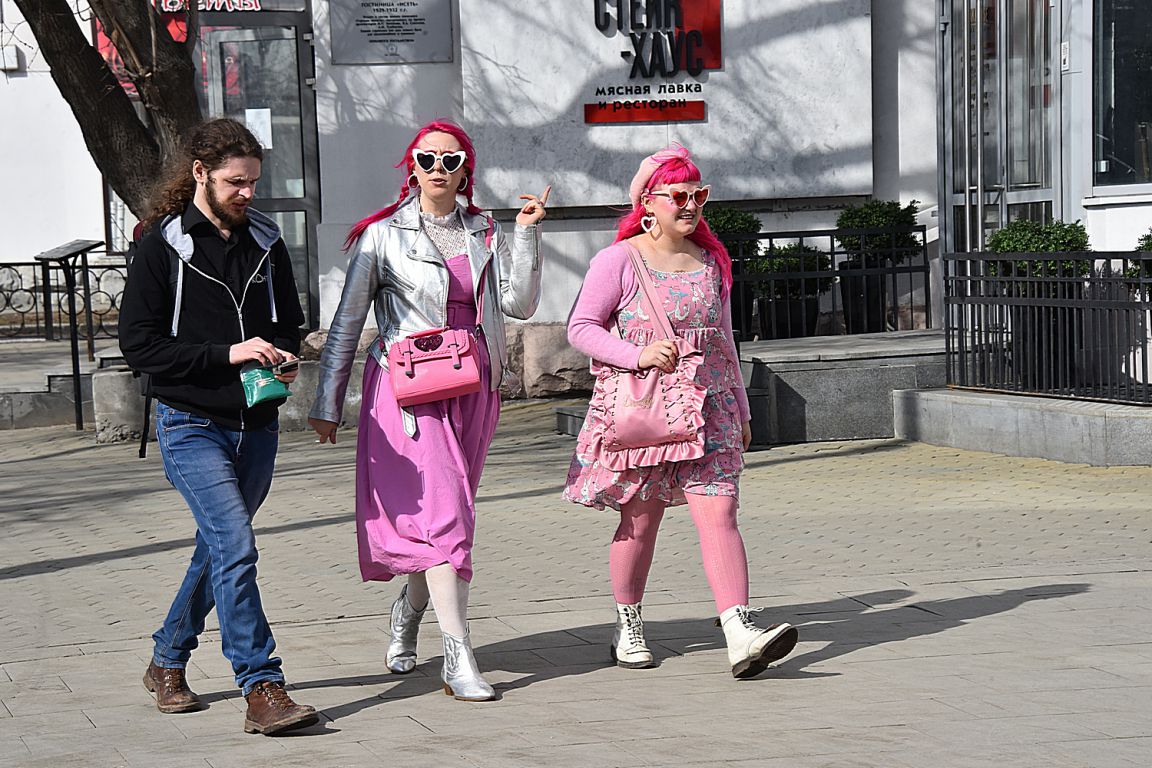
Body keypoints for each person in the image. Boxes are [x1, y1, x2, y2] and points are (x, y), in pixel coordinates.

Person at [309, 121, 548, 701]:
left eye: (451, 160)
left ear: (466, 171)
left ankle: (408, 610)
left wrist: (525, 234)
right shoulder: (382, 236)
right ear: (411, 167)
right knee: (446, 517)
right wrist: (327, 402)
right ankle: (458, 656)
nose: (439, 169)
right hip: (408, 391)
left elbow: (518, 304)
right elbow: (347, 322)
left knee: (448, 516)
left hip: (474, 386)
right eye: (428, 159)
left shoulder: (484, 231)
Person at [563, 145, 799, 678]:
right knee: (640, 521)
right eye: (678, 195)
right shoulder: (619, 260)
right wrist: (636, 355)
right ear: (648, 202)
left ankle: (739, 633)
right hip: (648, 411)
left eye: (699, 195)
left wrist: (742, 408)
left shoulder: (712, 260)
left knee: (720, 513)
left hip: (711, 407)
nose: (690, 205)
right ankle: (628, 624)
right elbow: (581, 328)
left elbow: (725, 340)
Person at [119, 118, 317, 734]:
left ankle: (166, 660)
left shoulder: (266, 240)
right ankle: (262, 686)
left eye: (254, 181)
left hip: (256, 423)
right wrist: (229, 353)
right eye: (236, 182)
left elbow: (288, 324)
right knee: (235, 544)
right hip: (189, 423)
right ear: (200, 173)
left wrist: (284, 354)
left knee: (219, 548)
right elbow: (140, 347)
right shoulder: (161, 245)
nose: (248, 193)